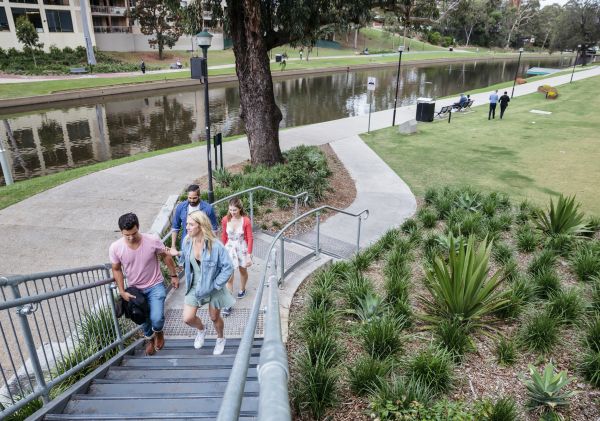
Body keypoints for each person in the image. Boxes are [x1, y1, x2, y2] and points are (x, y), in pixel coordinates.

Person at [109, 213, 179, 356]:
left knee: (157, 318)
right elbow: (116, 269)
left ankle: (158, 332)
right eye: (126, 235)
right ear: (121, 231)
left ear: (138, 227)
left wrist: (173, 275)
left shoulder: (152, 240)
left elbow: (166, 256)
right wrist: (122, 291)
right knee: (142, 318)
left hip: (155, 285)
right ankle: (149, 338)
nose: (131, 237)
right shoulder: (116, 247)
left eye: (133, 233)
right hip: (135, 290)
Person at [169, 211, 234, 355]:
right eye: (187, 224)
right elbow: (186, 257)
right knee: (188, 318)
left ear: (201, 225)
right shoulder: (187, 241)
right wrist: (178, 254)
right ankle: (201, 330)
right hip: (195, 285)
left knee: (214, 317)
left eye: (191, 224)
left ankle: (220, 338)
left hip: (213, 286)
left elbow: (228, 267)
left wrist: (217, 285)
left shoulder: (215, 245)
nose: (187, 227)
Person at [220, 198, 254, 317]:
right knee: (229, 277)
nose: (232, 212)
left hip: (241, 248)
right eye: (230, 210)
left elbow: (250, 238)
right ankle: (228, 304)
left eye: (234, 210)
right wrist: (222, 251)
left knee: (242, 271)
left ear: (240, 209)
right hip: (229, 248)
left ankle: (242, 289)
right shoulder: (225, 219)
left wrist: (249, 255)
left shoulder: (246, 221)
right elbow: (224, 236)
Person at [170, 184, 218, 251]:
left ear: (199, 196)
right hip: (186, 244)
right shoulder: (181, 207)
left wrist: (212, 246)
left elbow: (214, 229)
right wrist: (173, 246)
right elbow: (175, 227)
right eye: (189, 198)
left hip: (203, 244)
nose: (192, 200)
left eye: (194, 198)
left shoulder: (208, 209)